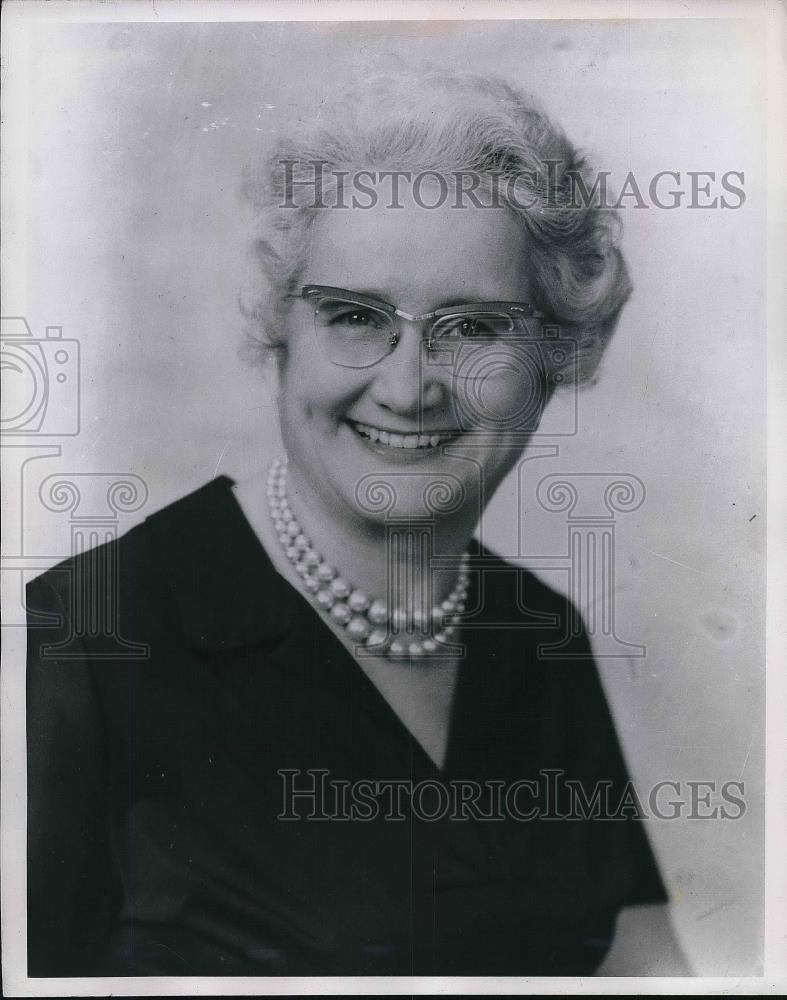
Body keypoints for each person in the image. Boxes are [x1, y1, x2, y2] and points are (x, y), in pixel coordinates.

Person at [26, 70, 689, 976]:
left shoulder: (535, 636)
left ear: (556, 354)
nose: (408, 386)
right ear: (281, 336)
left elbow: (647, 970)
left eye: (473, 327)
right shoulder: (87, 641)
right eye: (353, 316)